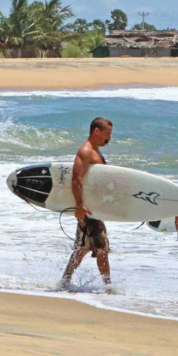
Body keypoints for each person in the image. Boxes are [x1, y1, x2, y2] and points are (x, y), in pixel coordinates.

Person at [60, 117, 113, 289]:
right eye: (107, 134)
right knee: (101, 248)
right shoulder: (86, 151)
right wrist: (79, 205)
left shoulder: (96, 151)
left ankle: (64, 281)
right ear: (96, 131)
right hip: (87, 209)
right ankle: (108, 286)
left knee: (82, 248)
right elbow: (76, 179)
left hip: (94, 209)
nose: (109, 139)